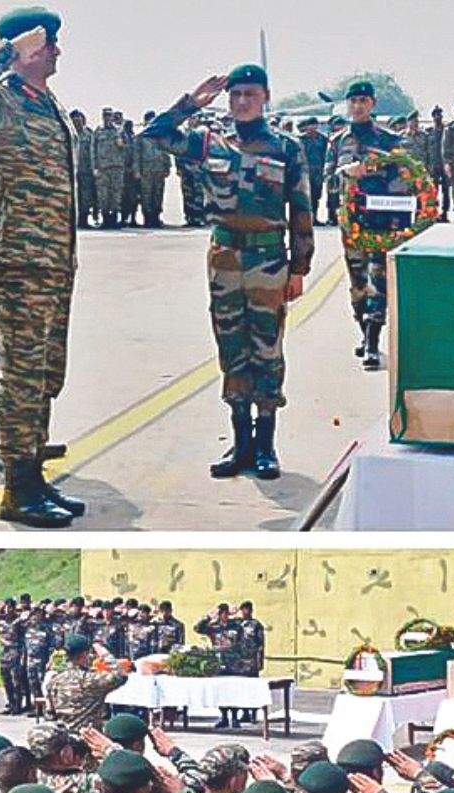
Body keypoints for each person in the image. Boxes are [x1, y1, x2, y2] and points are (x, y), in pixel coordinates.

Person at [139, 64, 314, 482]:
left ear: (266, 97)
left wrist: (299, 267)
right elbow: (153, 137)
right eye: (235, 95)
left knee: (267, 349)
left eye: (249, 95)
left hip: (269, 260)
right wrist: (189, 104)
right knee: (231, 345)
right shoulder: (207, 142)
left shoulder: (286, 148)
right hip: (224, 259)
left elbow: (301, 209)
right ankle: (240, 441)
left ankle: (266, 443)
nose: (241, 102)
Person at [0, 10, 87, 529]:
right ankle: (16, 488)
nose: (56, 52)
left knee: (45, 374)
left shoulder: (45, 102)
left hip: (53, 260)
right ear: (25, 48)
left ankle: (34, 474)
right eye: (48, 44)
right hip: (18, 259)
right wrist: (8, 50)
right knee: (20, 377)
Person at [325, 81, 403, 370]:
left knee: (378, 281)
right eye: (353, 101)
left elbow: (404, 180)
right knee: (358, 282)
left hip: (381, 222)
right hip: (351, 223)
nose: (357, 106)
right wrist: (346, 173)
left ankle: (372, 341)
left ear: (372, 104)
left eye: (363, 100)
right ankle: (363, 330)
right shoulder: (337, 142)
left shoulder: (390, 141)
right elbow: (327, 181)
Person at [42, 634, 127, 729]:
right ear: (84, 655)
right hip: (89, 737)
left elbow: (50, 713)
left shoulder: (54, 680)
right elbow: (121, 675)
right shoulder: (90, 679)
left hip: (64, 738)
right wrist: (103, 653)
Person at [133, 110, 171, 226]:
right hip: (146, 170)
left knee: (158, 194)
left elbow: (167, 151)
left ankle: (156, 216)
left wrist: (167, 167)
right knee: (146, 194)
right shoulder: (141, 136)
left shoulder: (161, 135)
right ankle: (148, 218)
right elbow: (136, 154)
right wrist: (137, 170)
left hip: (159, 169)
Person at [93, 108, 129, 228]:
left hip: (117, 167)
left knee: (116, 194)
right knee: (103, 195)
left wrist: (122, 144)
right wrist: (94, 167)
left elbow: (128, 147)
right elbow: (93, 150)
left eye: (109, 115)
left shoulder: (119, 131)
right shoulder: (98, 131)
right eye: (105, 115)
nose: (107, 118)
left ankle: (113, 219)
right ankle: (105, 219)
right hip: (103, 168)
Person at [296, 117, 327, 226]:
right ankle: (303, 220)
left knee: (316, 196)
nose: (312, 127)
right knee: (303, 197)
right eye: (310, 125)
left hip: (318, 172)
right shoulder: (300, 139)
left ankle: (314, 218)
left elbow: (325, 155)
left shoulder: (322, 139)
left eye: (314, 125)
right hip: (304, 171)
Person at [71, 109, 97, 227]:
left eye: (79, 119)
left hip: (86, 170)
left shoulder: (89, 134)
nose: (77, 122)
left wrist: (94, 169)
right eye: (75, 119)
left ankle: (84, 219)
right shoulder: (69, 133)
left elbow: (94, 152)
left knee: (86, 196)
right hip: (72, 171)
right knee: (73, 196)